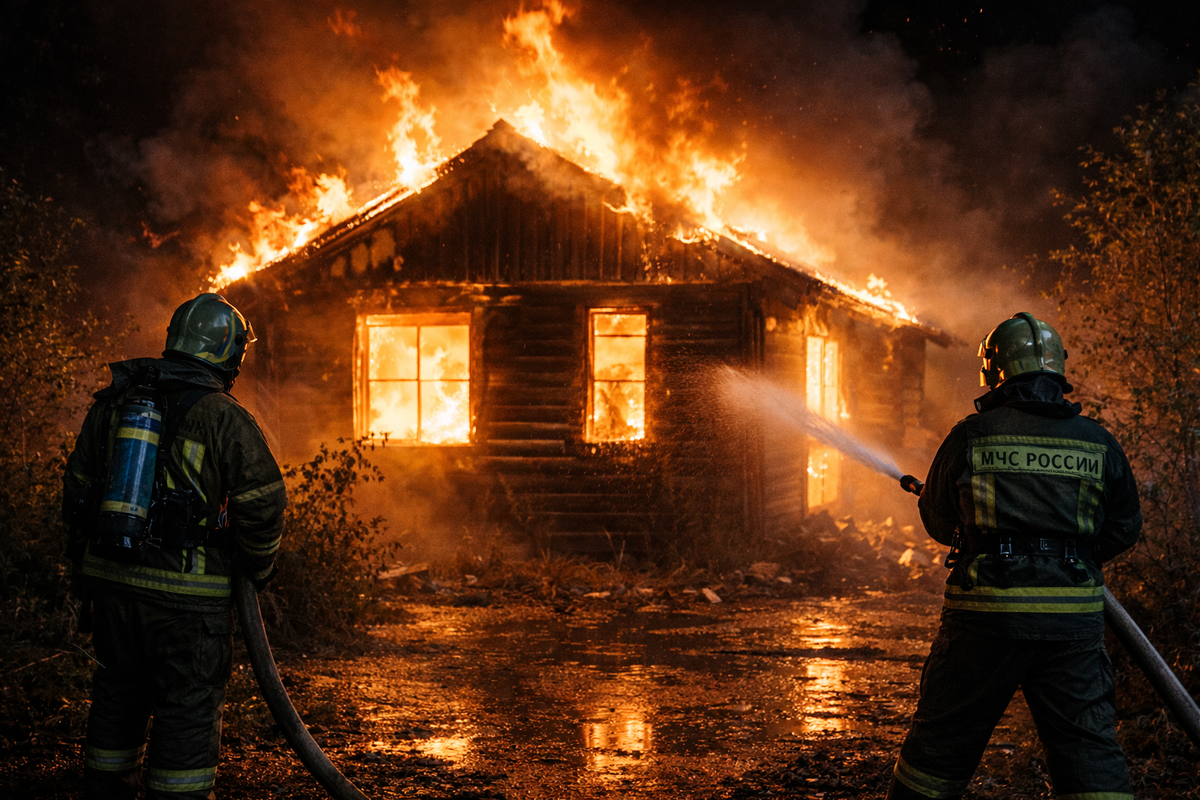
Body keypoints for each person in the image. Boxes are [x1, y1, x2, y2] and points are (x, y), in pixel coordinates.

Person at [887, 312, 1142, 800]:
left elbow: (939, 523)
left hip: (985, 621)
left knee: (940, 747)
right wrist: (1070, 559)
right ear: (1058, 372)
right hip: (1072, 626)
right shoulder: (1098, 443)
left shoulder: (972, 435)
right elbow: (1124, 527)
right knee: (1088, 750)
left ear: (994, 370)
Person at [63, 293, 287, 800]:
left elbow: (77, 491)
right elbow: (264, 498)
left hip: (113, 590)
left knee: (117, 698)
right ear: (229, 355)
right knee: (185, 713)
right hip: (187, 603)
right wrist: (258, 564)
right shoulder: (222, 416)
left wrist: (85, 571)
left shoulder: (113, 403)